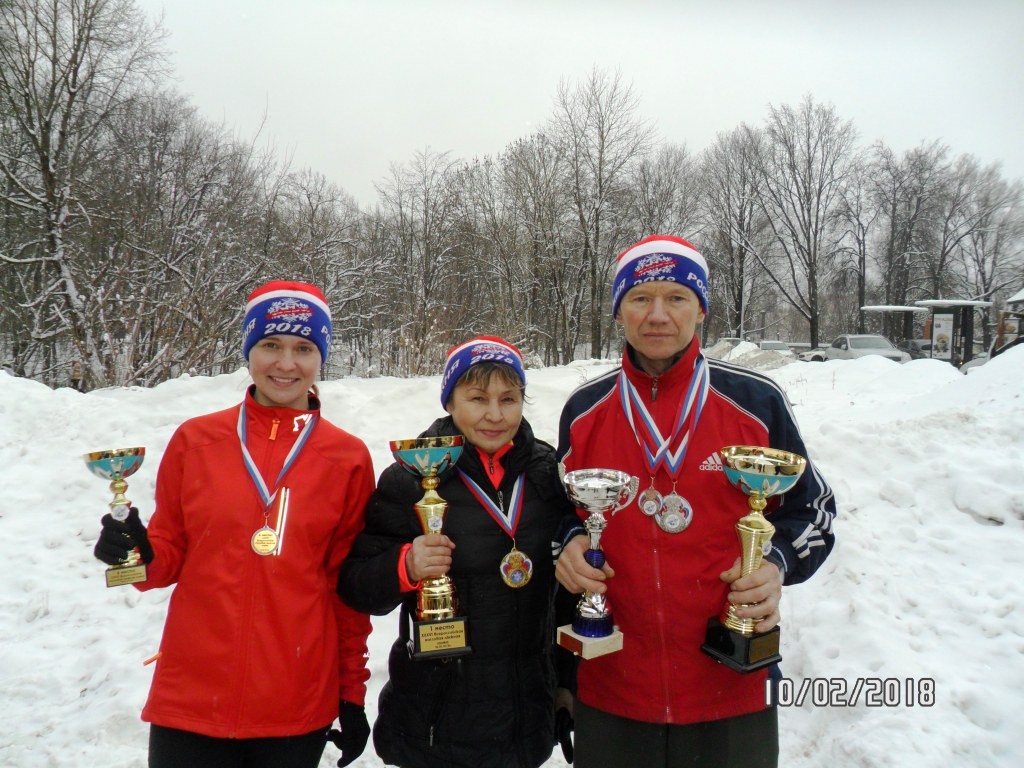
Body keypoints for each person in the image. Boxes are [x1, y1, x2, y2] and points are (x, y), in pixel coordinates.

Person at [554, 236, 837, 768]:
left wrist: (775, 564)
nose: (658, 314)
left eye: (677, 298)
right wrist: (568, 542)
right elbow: (558, 511)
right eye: (640, 298)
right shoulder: (585, 410)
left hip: (732, 687)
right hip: (613, 686)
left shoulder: (756, 402)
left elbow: (814, 512)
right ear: (619, 310)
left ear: (701, 308)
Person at [93, 280, 375, 768]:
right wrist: (132, 552)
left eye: (303, 348)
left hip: (294, 701)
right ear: (248, 350)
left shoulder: (346, 458)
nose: (285, 363)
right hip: (192, 698)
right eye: (270, 345)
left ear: (320, 357)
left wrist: (350, 691)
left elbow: (344, 589)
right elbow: (167, 556)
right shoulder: (196, 441)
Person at [337, 336, 581, 768]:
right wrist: (405, 565)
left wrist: (566, 683)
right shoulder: (412, 477)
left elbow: (563, 592)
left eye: (509, 399)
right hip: (434, 724)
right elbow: (356, 586)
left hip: (525, 717)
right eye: (477, 398)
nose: (495, 414)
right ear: (450, 402)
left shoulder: (547, 474)